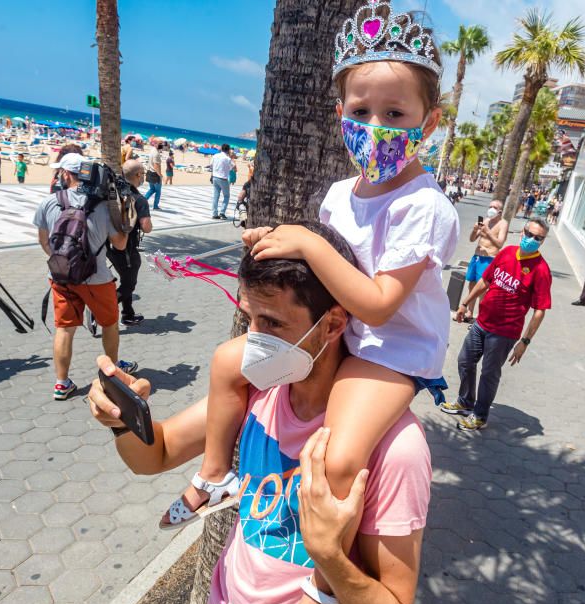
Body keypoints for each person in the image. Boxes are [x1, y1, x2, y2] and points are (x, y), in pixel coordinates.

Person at [163, 2, 458, 574]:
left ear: (429, 122)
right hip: (339, 336)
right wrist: (278, 242)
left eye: (396, 113)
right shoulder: (338, 194)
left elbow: (376, 301)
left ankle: (325, 584)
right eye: (361, 109)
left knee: (342, 457)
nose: (377, 126)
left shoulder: (426, 207)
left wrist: (307, 243)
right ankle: (217, 474)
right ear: (340, 112)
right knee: (228, 365)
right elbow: (322, 269)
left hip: (388, 353)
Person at [88, 221, 430, 604]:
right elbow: (154, 455)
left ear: (333, 324)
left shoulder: (395, 447)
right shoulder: (256, 389)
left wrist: (332, 559)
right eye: (249, 318)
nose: (253, 342)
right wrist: (125, 420)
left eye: (272, 324)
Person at [32, 153, 136, 401]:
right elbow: (120, 245)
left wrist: (63, 262)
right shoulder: (102, 208)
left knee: (65, 329)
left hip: (60, 277)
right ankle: (111, 375)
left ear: (67, 174)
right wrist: (125, 217)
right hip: (97, 278)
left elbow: (44, 241)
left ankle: (61, 383)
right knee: (109, 324)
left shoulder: (49, 202)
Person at [442, 218, 552, 430]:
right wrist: (465, 303)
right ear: (522, 232)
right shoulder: (507, 252)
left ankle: (480, 415)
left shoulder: (541, 270)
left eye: (538, 238)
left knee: (489, 374)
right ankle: (465, 402)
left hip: (505, 332)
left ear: (542, 241)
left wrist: (525, 342)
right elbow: (485, 280)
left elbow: (540, 311)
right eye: (529, 234)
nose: (532, 240)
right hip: (482, 322)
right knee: (465, 361)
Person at [106, 159, 153, 326]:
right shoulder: (139, 199)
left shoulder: (113, 192)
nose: (144, 178)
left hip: (109, 247)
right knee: (128, 285)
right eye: (143, 174)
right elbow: (146, 227)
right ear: (138, 175)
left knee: (126, 279)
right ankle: (100, 312)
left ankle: (128, 314)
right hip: (127, 249)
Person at [462, 199, 508, 321]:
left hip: (489, 258)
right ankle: (469, 312)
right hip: (476, 257)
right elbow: (472, 239)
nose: (491, 209)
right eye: (490, 206)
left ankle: (480, 316)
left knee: (482, 288)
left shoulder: (503, 224)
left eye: (494, 207)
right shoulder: (485, 220)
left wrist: (487, 232)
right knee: (471, 285)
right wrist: (474, 229)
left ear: (500, 211)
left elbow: (500, 244)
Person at [211, 143, 234, 220]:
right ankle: (222, 213)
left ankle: (214, 213)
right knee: (226, 196)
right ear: (228, 150)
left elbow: (211, 165)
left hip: (215, 177)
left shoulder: (215, 155)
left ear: (221, 149)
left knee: (216, 196)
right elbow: (231, 168)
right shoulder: (227, 159)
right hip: (223, 178)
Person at [144, 142, 164, 210]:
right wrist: (160, 175)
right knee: (158, 191)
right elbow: (156, 166)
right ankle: (155, 206)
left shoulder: (152, 150)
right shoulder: (156, 154)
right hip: (155, 174)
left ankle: (143, 201)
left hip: (149, 172)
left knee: (152, 189)